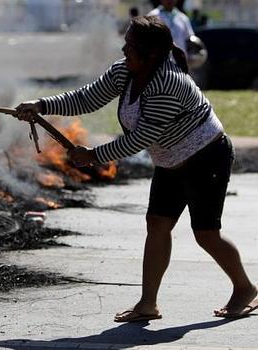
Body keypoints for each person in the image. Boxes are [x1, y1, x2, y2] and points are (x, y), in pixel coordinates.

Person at [14, 16, 258, 322]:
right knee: (157, 224)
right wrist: (41, 105)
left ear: (151, 53)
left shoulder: (168, 83)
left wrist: (94, 156)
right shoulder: (125, 70)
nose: (123, 47)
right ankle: (147, 304)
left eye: (130, 44)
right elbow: (88, 98)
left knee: (206, 234)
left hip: (206, 157)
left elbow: (142, 137)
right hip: (170, 159)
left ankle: (245, 288)